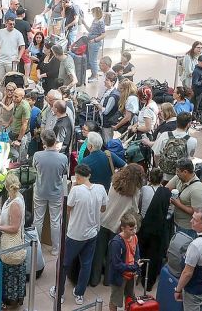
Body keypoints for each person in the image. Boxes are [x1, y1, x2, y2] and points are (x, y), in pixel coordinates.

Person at [51, 164, 108, 306]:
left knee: (63, 263)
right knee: (86, 264)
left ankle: (60, 292)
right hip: (92, 233)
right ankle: (79, 294)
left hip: (75, 234)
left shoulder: (76, 191)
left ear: (77, 176)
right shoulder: (100, 188)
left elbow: (67, 208)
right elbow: (103, 208)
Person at [0, 172, 27, 308]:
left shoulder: (15, 204)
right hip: (14, 242)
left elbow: (14, 228)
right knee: (15, 273)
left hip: (12, 244)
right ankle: (15, 298)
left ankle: (10, 301)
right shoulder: (15, 198)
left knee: (10, 274)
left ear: (6, 187)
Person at [32, 129, 69, 256]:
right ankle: (55, 249)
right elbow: (65, 174)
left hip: (40, 191)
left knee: (38, 220)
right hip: (56, 192)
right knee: (55, 221)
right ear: (55, 140)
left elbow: (34, 168)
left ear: (43, 142)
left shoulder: (37, 155)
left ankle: (36, 248)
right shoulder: (63, 158)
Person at [107, 213, 141, 311]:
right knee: (115, 300)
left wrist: (136, 270)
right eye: (131, 229)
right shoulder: (116, 243)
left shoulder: (134, 237)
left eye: (135, 228)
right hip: (119, 276)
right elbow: (117, 264)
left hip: (131, 274)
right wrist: (134, 267)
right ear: (123, 228)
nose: (134, 231)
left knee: (130, 298)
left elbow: (137, 255)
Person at [167, 157, 202, 235]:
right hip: (174, 221)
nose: (176, 173)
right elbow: (167, 189)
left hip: (187, 228)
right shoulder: (178, 178)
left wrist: (178, 204)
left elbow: (196, 212)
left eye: (178, 171)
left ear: (185, 172)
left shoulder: (197, 189)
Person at [0, 17, 25, 87]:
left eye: (13, 24)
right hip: (0, 60)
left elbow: (22, 46)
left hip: (12, 61)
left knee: (11, 80)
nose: (12, 25)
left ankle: (10, 95)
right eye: (10, 24)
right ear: (6, 23)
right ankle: (2, 95)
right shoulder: (0, 32)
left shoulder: (18, 33)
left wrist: (18, 58)